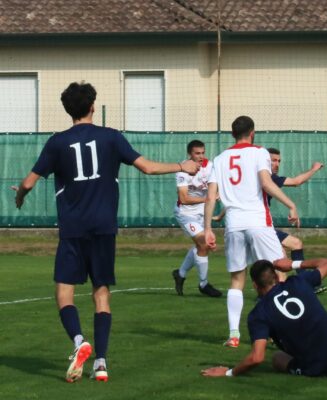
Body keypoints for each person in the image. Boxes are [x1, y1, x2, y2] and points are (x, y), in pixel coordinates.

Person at [11, 82, 199, 383]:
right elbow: (147, 168)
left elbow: (30, 182)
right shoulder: (111, 137)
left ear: (67, 109)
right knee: (101, 293)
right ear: (92, 107)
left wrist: (19, 195)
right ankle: (100, 362)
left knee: (64, 292)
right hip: (104, 227)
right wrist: (182, 165)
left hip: (73, 228)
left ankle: (78, 341)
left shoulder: (57, 142)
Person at [203, 116, 299, 348]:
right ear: (252, 132)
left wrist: (207, 228)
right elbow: (266, 184)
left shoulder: (219, 158)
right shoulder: (259, 152)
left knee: (237, 279)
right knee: (279, 272)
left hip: (233, 224)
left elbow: (210, 196)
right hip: (257, 222)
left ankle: (234, 334)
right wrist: (290, 204)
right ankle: (280, 332)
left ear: (233, 134)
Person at [268, 148, 326, 294]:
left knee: (295, 243)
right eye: (273, 160)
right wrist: (314, 169)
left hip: (265, 225)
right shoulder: (265, 178)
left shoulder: (271, 179)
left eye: (279, 161)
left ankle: (305, 283)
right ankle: (274, 295)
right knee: (280, 259)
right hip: (258, 226)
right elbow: (296, 182)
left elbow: (295, 181)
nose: (277, 164)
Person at [171, 140, 221, 298]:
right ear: (189, 154)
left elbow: (215, 187)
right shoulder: (182, 170)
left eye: (202, 153)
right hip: (186, 214)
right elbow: (184, 198)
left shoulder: (210, 166)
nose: (201, 156)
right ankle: (203, 284)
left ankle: (180, 274)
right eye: (197, 153)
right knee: (204, 243)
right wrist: (209, 198)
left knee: (202, 247)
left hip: (202, 213)